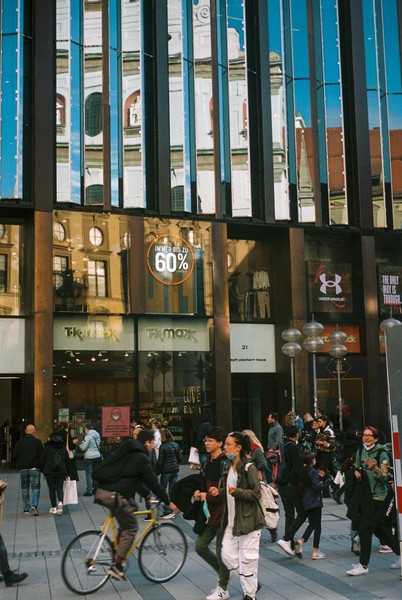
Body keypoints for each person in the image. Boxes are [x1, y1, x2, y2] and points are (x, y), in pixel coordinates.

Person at [94, 429, 177, 581]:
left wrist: (147, 495)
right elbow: (153, 482)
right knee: (131, 526)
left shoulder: (130, 451)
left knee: (131, 508)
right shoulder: (140, 457)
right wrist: (169, 502)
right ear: (147, 442)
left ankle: (118, 547)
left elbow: (135, 480)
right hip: (114, 495)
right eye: (152, 443)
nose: (153, 446)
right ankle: (117, 566)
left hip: (104, 491)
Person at [209, 432, 265, 600]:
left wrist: (238, 492)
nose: (225, 447)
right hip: (231, 521)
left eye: (228, 444)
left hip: (249, 521)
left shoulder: (249, 468)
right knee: (226, 555)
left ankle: (250, 594)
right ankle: (251, 582)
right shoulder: (227, 466)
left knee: (248, 561)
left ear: (238, 447)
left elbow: (257, 493)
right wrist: (219, 492)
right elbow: (227, 490)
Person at [346, 426, 400, 576]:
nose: (366, 438)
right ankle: (400, 554)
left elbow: (385, 477)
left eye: (370, 435)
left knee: (365, 530)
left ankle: (363, 565)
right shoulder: (360, 451)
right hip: (365, 497)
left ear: (376, 438)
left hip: (378, 498)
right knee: (381, 531)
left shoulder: (382, 453)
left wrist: (375, 469)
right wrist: (357, 473)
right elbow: (358, 468)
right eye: (364, 435)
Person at [193, 426, 230, 600]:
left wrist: (207, 495)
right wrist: (198, 492)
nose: (206, 443)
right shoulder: (207, 461)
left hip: (223, 514)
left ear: (220, 443)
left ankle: (223, 587)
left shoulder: (225, 463)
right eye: (205, 440)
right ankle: (226, 573)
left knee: (221, 551)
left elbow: (227, 492)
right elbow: (203, 484)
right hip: (209, 513)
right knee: (200, 546)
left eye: (210, 441)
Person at [276, 425, 311, 557]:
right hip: (291, 484)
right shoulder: (293, 447)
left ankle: (289, 545)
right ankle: (286, 539)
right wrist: (309, 481)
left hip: (282, 484)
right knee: (302, 513)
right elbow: (297, 468)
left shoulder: (282, 446)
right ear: (296, 434)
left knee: (289, 514)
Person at [294, 449, 332, 560]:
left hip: (306, 501)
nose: (315, 459)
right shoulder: (313, 472)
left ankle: (301, 541)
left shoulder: (303, 471)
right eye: (313, 458)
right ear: (311, 461)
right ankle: (315, 551)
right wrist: (328, 481)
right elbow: (317, 486)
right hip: (315, 501)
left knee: (312, 524)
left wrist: (320, 478)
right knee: (317, 526)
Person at [12, 424, 43, 516]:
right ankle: (34, 505)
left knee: (24, 488)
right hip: (34, 468)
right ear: (34, 431)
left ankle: (26, 508)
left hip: (23, 468)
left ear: (25, 431)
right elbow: (41, 455)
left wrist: (18, 463)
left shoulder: (19, 442)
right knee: (35, 488)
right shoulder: (37, 442)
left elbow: (14, 455)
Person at [40, 432, 69, 515]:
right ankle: (60, 502)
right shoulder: (63, 449)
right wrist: (68, 472)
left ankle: (53, 507)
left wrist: (43, 470)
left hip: (49, 471)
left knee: (51, 489)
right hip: (61, 471)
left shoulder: (47, 449)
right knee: (60, 487)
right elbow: (67, 461)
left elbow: (42, 460)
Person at [156, 429, 182, 518]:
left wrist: (157, 472)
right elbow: (180, 458)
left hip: (166, 471)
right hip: (175, 470)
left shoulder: (163, 447)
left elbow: (160, 461)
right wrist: (176, 464)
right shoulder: (175, 444)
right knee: (172, 491)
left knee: (162, 491)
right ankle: (173, 509)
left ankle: (167, 510)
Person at [73, 423, 102, 497]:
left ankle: (89, 490)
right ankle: (95, 489)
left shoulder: (88, 436)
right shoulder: (97, 434)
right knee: (95, 473)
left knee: (89, 474)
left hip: (89, 457)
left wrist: (79, 444)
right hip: (97, 456)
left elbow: (83, 448)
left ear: (86, 429)